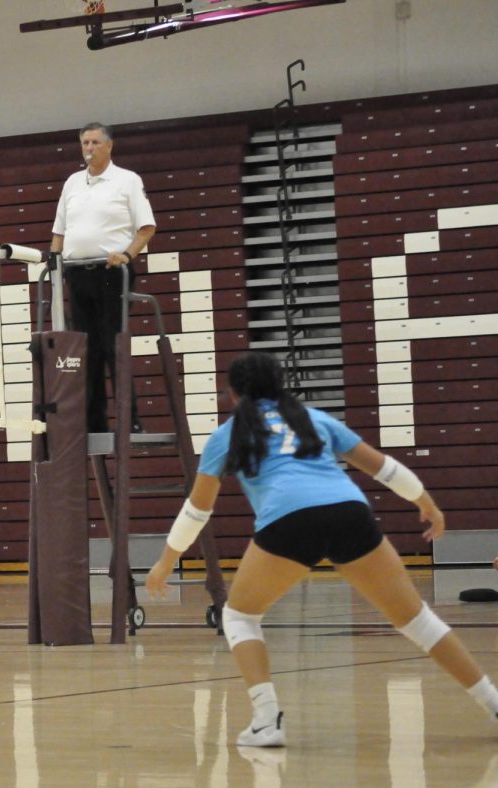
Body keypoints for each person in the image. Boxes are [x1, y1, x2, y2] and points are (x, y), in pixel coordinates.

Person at [145, 351, 498, 747]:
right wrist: (426, 503)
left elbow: (198, 509)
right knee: (418, 621)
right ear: (280, 386)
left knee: (241, 617)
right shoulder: (314, 419)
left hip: (287, 522)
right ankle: (493, 701)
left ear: (232, 394)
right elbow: (383, 467)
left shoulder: (226, 435)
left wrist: (166, 561)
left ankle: (266, 720)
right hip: (350, 513)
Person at [49, 122, 156, 434]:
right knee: (86, 351)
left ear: (109, 146)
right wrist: (55, 264)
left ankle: (130, 419)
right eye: (85, 142)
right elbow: (59, 231)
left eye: (95, 142)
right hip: (77, 275)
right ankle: (94, 423)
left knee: (113, 346)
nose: (89, 148)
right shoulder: (72, 183)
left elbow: (147, 227)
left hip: (111, 274)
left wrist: (126, 255)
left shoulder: (127, 181)